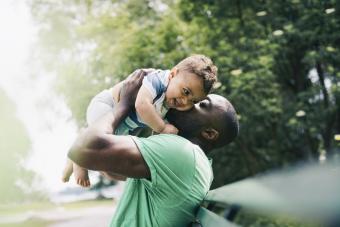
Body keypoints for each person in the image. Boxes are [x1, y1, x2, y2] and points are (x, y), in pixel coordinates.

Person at [68, 70, 239, 227]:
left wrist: (125, 104)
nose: (188, 104)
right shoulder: (192, 162)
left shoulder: (180, 151)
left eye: (199, 104)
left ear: (209, 133)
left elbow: (83, 149)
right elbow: (109, 169)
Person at [62, 54, 218, 187]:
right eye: (185, 91)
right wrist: (162, 128)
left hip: (122, 124)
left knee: (112, 151)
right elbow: (142, 105)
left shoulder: (171, 101)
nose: (185, 101)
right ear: (173, 74)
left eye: (192, 101)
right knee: (100, 142)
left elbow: (153, 123)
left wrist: (159, 134)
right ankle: (80, 161)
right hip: (107, 106)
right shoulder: (158, 80)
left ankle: (74, 154)